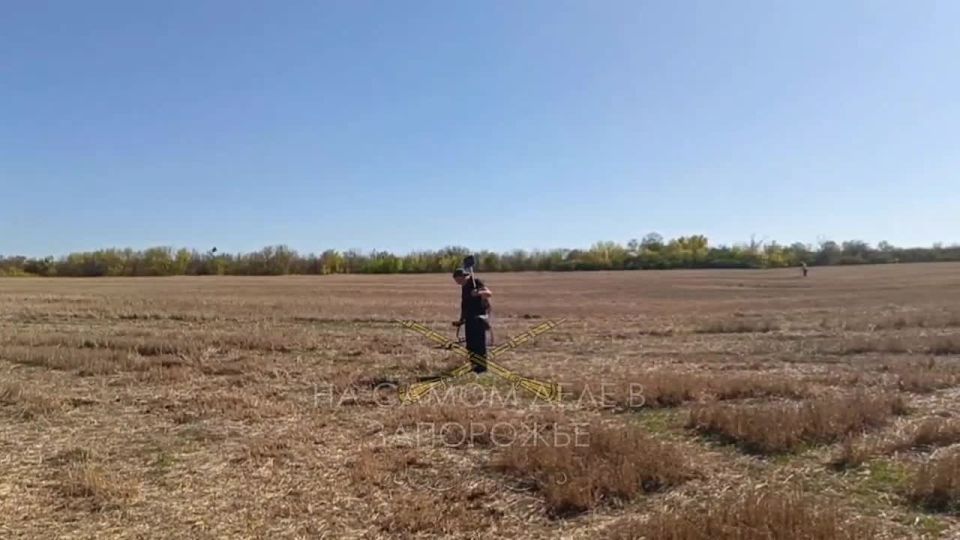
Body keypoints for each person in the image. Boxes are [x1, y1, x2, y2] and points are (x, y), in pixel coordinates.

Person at [452, 268, 493, 373]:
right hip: (469, 319)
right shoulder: (464, 287)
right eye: (457, 282)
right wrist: (461, 320)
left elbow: (488, 293)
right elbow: (464, 305)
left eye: (459, 280)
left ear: (463, 276)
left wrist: (478, 292)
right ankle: (474, 367)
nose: (458, 283)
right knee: (470, 346)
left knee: (479, 345)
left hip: (479, 318)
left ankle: (482, 370)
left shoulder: (476, 282)